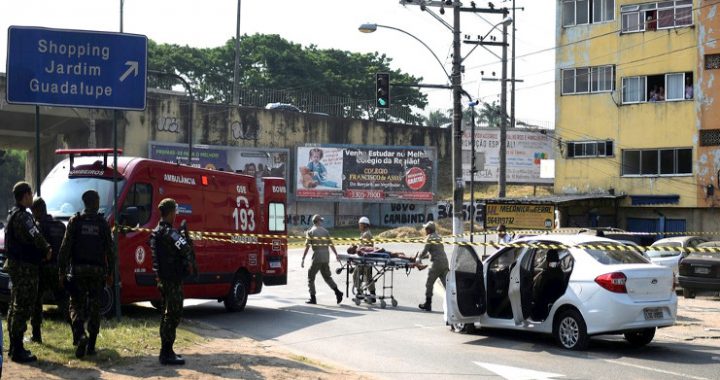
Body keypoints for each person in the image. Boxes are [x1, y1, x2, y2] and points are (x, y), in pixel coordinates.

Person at [58, 190, 115, 359]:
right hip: (97, 272)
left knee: (76, 305)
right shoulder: (102, 223)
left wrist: (61, 272)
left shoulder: (75, 221)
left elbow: (64, 248)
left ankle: (80, 335)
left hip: (78, 271)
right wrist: (111, 272)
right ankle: (91, 346)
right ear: (95, 202)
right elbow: (111, 251)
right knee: (95, 307)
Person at [4, 182, 50, 363]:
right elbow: (36, 236)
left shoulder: (12, 214)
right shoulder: (24, 217)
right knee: (23, 306)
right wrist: (46, 248)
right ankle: (18, 350)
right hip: (25, 268)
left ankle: (14, 347)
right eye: (30, 194)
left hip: (16, 266)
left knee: (15, 306)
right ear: (25, 195)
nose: (32, 197)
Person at [149, 198, 198, 365]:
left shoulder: (157, 231)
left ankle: (166, 350)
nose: (176, 215)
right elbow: (185, 249)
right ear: (170, 213)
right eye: (175, 212)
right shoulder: (171, 233)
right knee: (173, 315)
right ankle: (167, 352)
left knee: (166, 314)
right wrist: (186, 238)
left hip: (162, 278)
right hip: (172, 280)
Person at [30, 197, 69, 344]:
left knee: (36, 302)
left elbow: (37, 248)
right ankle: (78, 333)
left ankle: (36, 335)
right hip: (58, 269)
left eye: (33, 211)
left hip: (43, 269)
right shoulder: (59, 225)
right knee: (64, 301)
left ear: (37, 210)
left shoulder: (38, 226)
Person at [301, 214, 343, 305]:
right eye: (321, 221)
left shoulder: (310, 231)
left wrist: (303, 258)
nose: (322, 222)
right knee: (327, 277)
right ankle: (337, 292)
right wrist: (336, 254)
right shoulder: (325, 231)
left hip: (317, 257)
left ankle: (313, 298)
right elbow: (331, 244)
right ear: (318, 221)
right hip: (326, 257)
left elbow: (307, 247)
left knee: (310, 277)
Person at [417, 221, 448, 312]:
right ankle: (453, 302)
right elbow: (435, 251)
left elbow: (424, 251)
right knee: (447, 285)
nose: (425, 230)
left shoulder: (430, 238)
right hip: (445, 263)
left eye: (426, 229)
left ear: (429, 230)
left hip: (436, 264)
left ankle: (428, 303)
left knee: (429, 284)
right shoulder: (438, 237)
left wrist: (418, 258)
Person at [353, 216, 376, 303]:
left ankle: (360, 293)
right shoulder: (365, 233)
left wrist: (355, 249)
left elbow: (363, 248)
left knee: (356, 274)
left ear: (364, 225)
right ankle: (371, 295)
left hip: (365, 259)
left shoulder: (366, 234)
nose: (359, 226)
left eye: (360, 224)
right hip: (365, 258)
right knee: (368, 277)